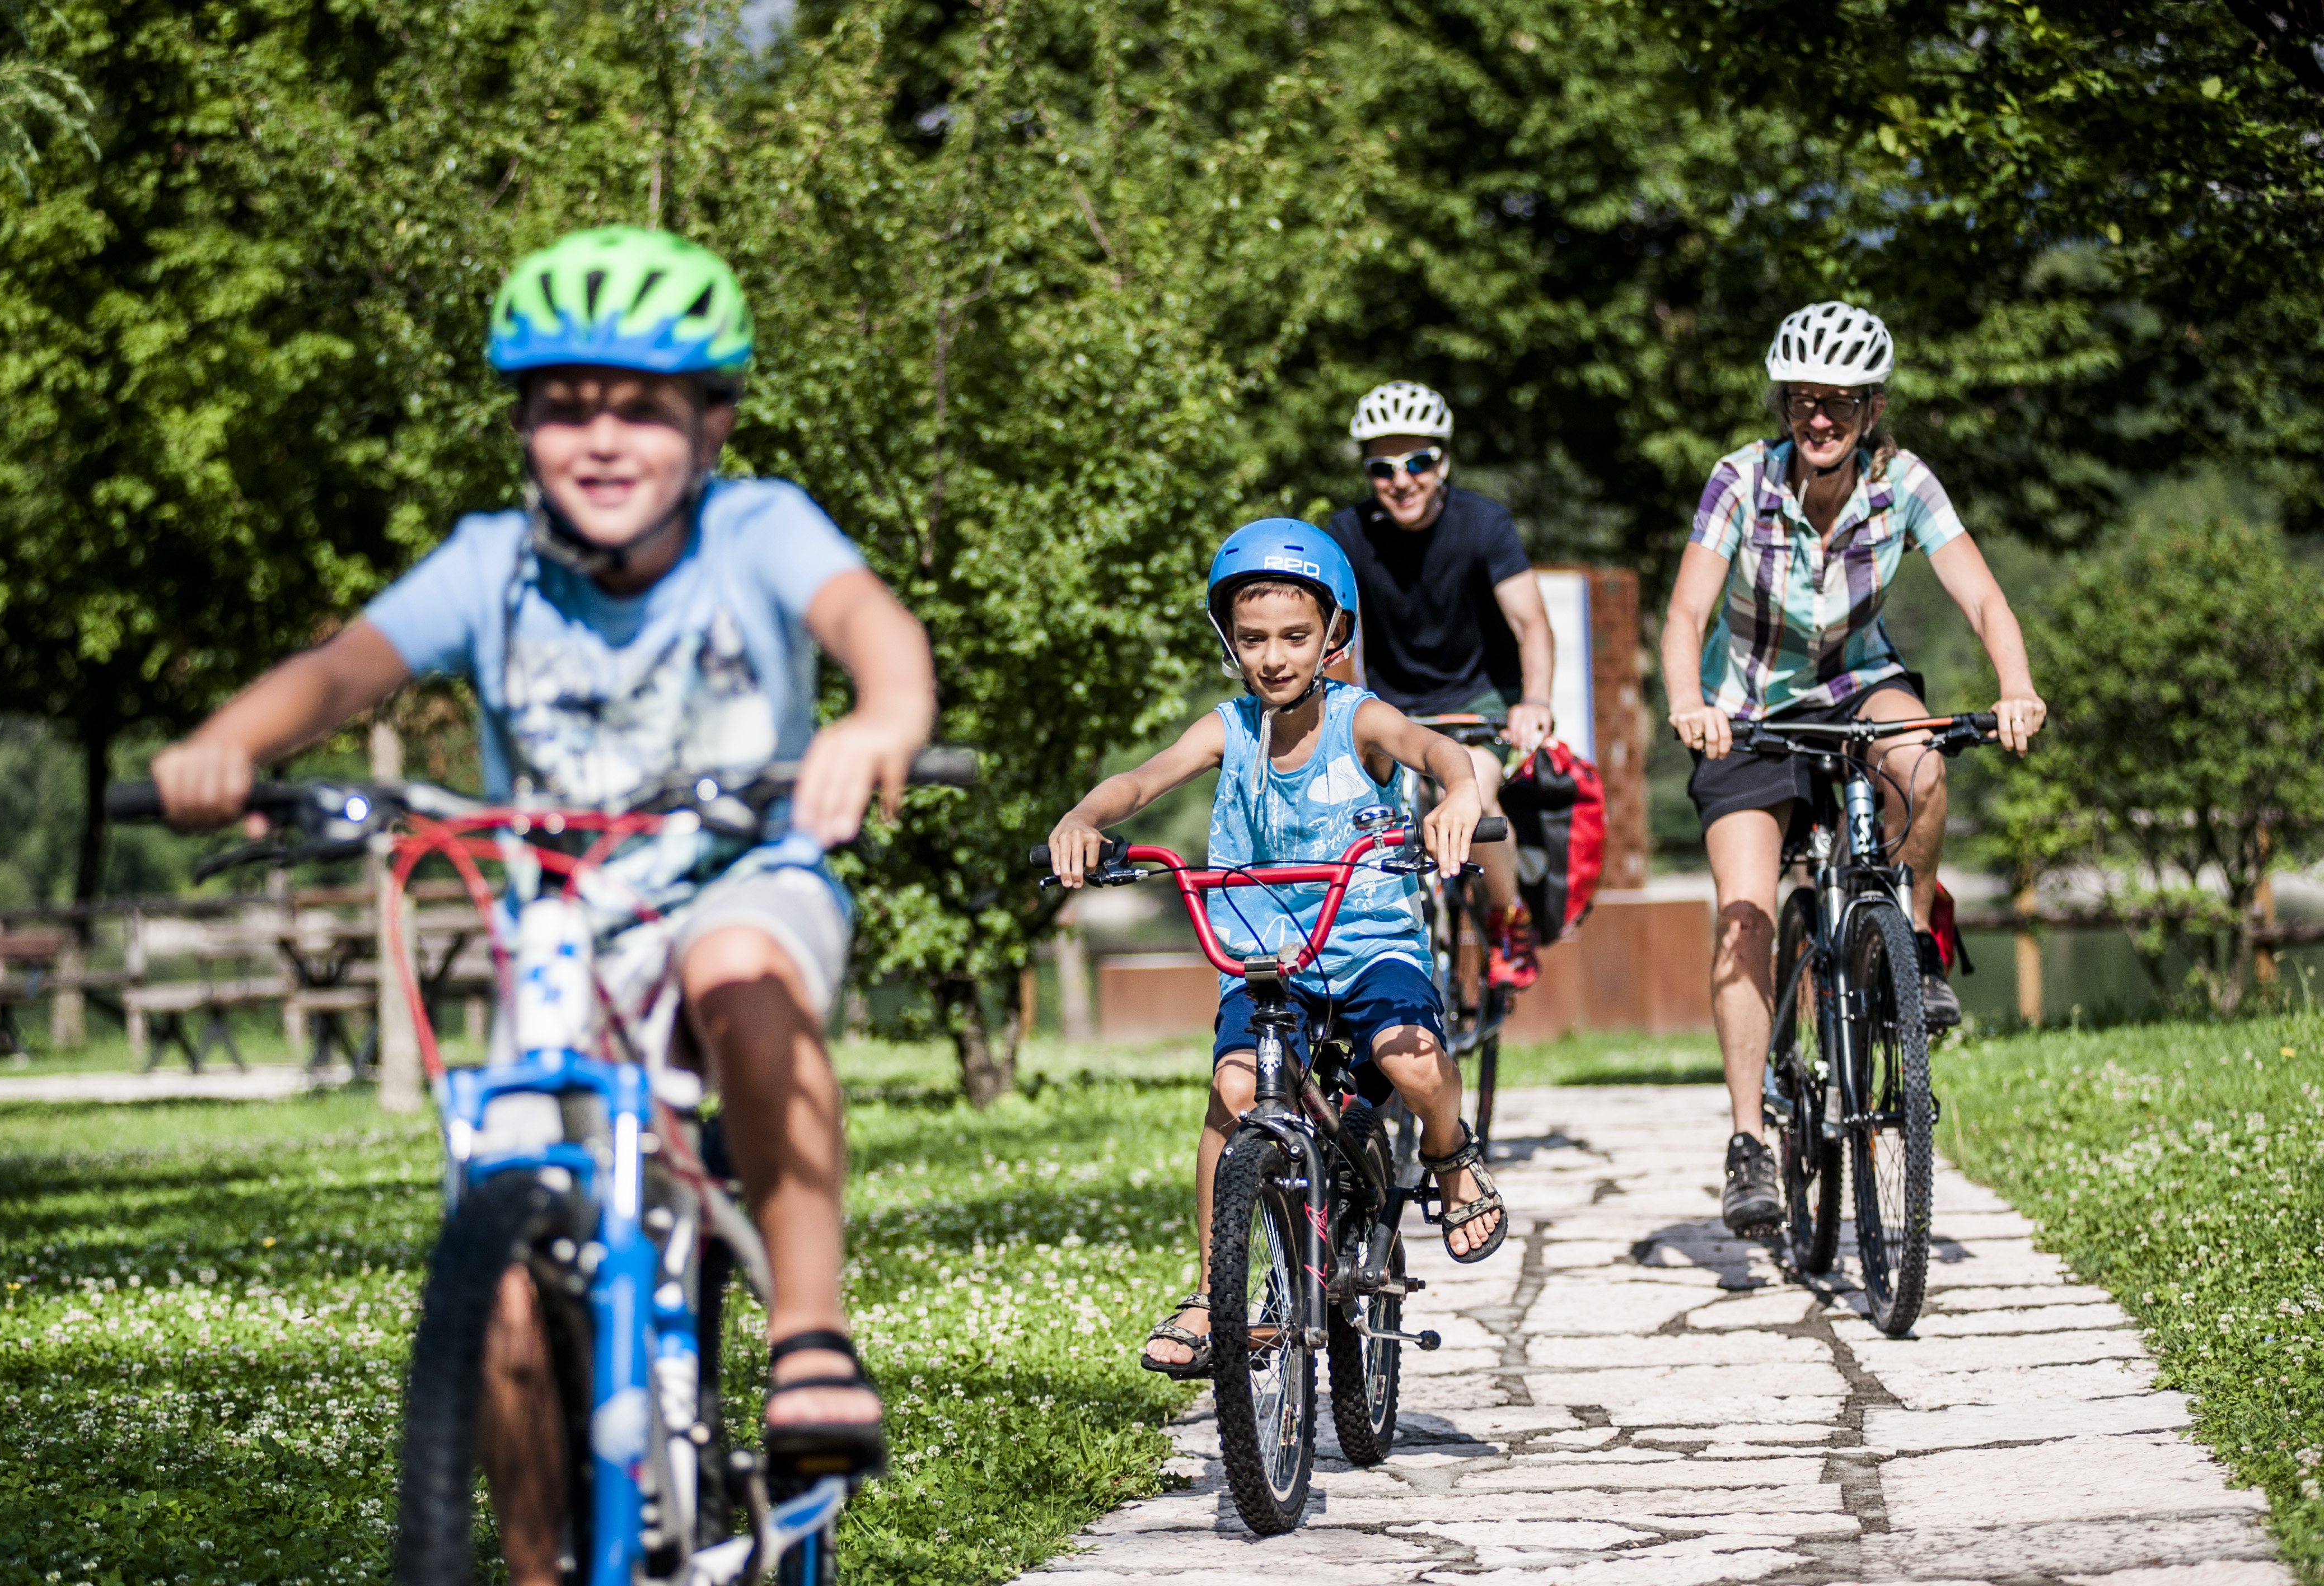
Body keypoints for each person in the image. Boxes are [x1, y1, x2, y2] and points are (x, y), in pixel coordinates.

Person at [144, 227, 936, 1579]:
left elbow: (872, 622)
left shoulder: (759, 528)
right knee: (503, 1276)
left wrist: (882, 720)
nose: (604, 436)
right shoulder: (491, 564)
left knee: (741, 970)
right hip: (564, 929)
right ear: (521, 427)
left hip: (742, 871)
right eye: (566, 406)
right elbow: (346, 666)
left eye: (643, 405)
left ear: (715, 422)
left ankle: (808, 1332)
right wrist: (234, 740)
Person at [1046, 519, 1511, 1380]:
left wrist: (1457, 796)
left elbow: (1438, 749)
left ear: (1334, 634)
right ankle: (1210, 1287)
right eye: (1252, 638)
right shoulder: (1227, 728)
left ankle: (1449, 1153)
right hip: (1267, 953)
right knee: (1231, 1093)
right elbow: (1140, 781)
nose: (1273, 656)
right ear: (1229, 639)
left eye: (1295, 636)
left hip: (1369, 942)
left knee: (1411, 1066)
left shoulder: (1357, 719)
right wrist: (1084, 819)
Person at [1659, 301, 2045, 1237]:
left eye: (1836, 401)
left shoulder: (1905, 481)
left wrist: (2016, 684)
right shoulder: (1740, 481)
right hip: (1748, 711)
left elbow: (1984, 598)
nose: (1816, 418)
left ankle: (1909, 943)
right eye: (1800, 401)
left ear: (1871, 408)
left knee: (1920, 762)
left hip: (1858, 686)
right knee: (1746, 914)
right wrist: (1688, 702)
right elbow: (1683, 618)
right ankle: (1750, 1140)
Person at [1325, 381, 1557, 987]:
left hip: (1478, 703)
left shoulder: (1484, 525)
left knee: (1472, 793)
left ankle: (1508, 918)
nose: (1401, 480)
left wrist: (1533, 701)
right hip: (1395, 710)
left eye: (1418, 462)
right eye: (1382, 467)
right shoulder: (1345, 534)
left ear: (1443, 462)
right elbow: (1337, 639)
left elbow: (1530, 622)